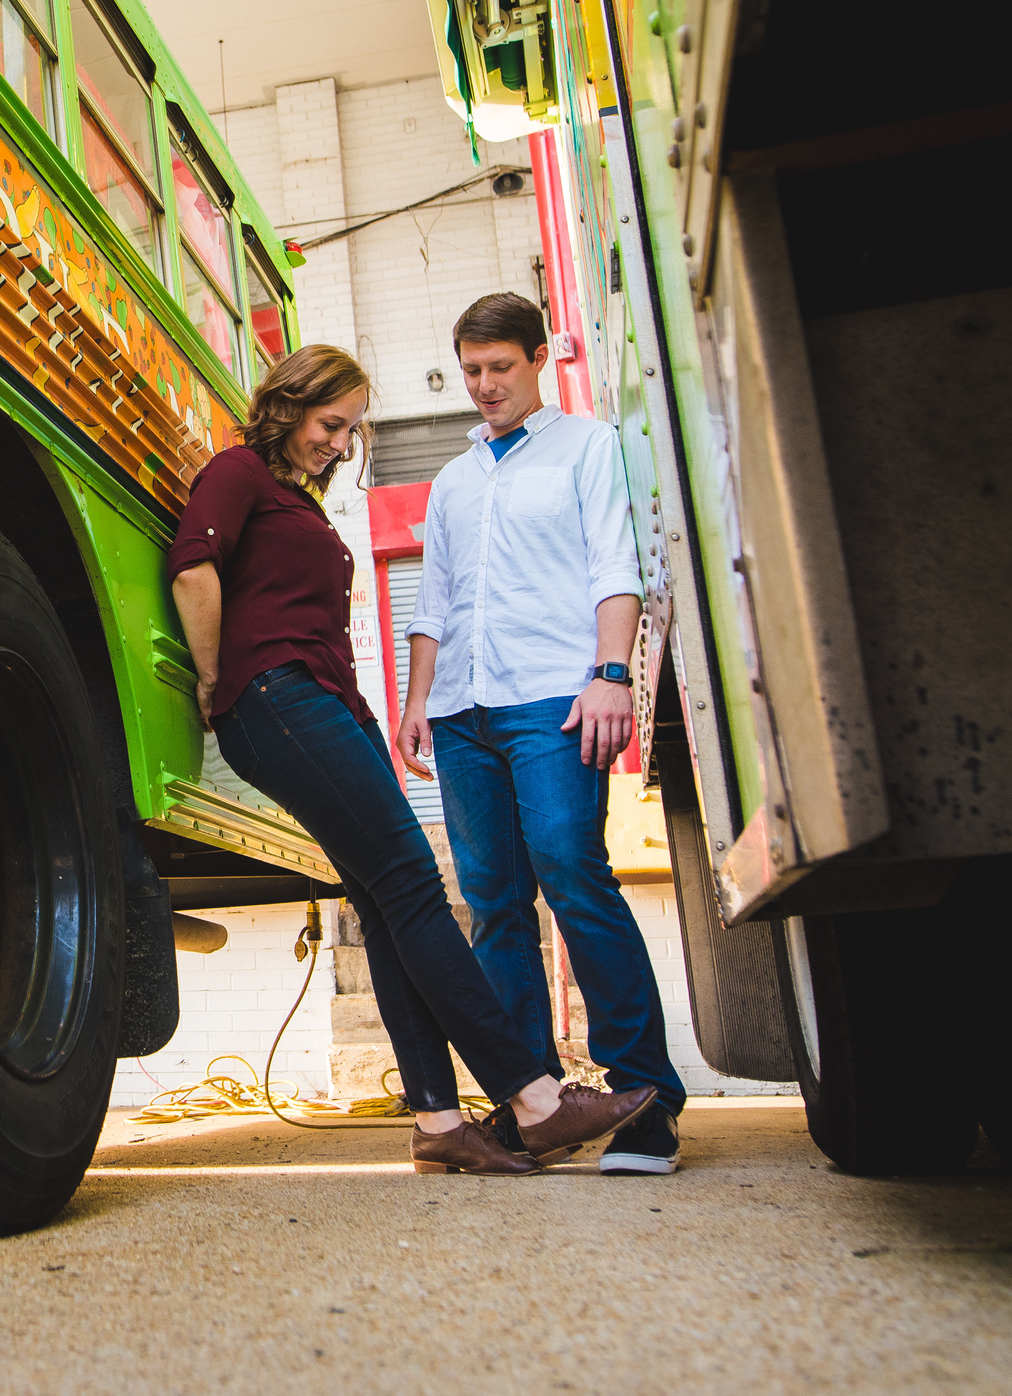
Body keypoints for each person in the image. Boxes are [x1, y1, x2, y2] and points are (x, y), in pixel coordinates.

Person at [168, 344, 654, 1176]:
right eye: (331, 423)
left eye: (352, 429)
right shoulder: (240, 471)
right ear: (287, 404)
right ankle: (534, 1097)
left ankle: (435, 1119)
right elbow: (192, 569)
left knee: (385, 898)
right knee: (412, 886)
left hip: (327, 704)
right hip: (275, 699)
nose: (340, 443)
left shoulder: (298, 499)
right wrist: (218, 682)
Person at [395, 293, 686, 1175]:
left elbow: (615, 565)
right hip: (462, 712)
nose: (484, 385)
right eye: (472, 370)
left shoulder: (589, 446)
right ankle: (536, 1101)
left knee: (573, 875)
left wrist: (610, 672)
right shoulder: (454, 480)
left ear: (538, 359)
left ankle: (648, 1101)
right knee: (493, 907)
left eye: (500, 368)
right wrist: (417, 700)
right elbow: (434, 601)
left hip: (552, 702)